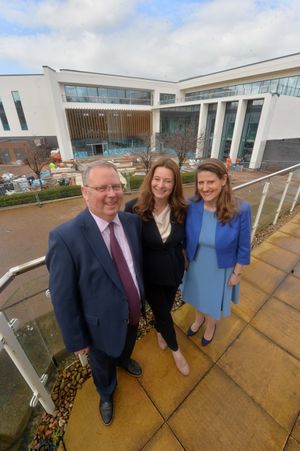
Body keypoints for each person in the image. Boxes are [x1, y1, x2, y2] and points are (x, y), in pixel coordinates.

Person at [46, 161, 144, 426]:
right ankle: (106, 392)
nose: (111, 193)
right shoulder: (65, 238)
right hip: (98, 328)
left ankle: (124, 360)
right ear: (85, 193)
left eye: (116, 186)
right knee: (101, 366)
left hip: (133, 312)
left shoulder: (131, 222)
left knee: (126, 344)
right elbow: (63, 298)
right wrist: (77, 341)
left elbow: (135, 267)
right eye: (102, 187)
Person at [125, 158, 190, 376]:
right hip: (149, 274)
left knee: (167, 306)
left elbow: (184, 239)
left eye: (168, 181)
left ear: (175, 185)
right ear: (150, 179)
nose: (161, 185)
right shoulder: (134, 208)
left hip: (173, 270)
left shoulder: (182, 209)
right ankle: (176, 350)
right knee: (163, 312)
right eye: (157, 179)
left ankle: (161, 330)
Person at [182, 158, 251, 345]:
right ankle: (198, 319)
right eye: (201, 182)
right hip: (196, 262)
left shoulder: (241, 209)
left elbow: (244, 246)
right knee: (197, 295)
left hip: (221, 266)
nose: (205, 188)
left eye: (210, 182)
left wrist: (237, 273)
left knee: (212, 300)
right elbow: (183, 236)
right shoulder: (192, 205)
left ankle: (211, 325)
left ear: (223, 180)